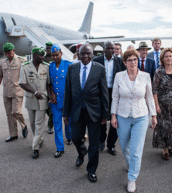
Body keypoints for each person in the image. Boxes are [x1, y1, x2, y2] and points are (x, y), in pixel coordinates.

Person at [111, 49, 157, 193]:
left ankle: (132, 178)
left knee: (137, 150)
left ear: (138, 61)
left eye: (135, 59)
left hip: (141, 116)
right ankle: (131, 164)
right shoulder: (119, 76)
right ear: (124, 62)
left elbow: (149, 97)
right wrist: (113, 115)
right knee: (124, 146)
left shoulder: (145, 76)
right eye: (129, 60)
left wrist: (154, 115)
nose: (133, 62)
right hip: (123, 115)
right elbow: (115, 97)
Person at [63, 43, 109, 182]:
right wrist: (66, 113)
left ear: (93, 55)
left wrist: (105, 115)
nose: (86, 56)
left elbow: (104, 93)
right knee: (76, 138)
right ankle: (82, 152)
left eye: (88, 53)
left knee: (94, 144)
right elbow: (68, 92)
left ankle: (91, 170)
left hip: (94, 112)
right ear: (78, 54)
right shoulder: (72, 68)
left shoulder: (99, 69)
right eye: (83, 53)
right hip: (76, 111)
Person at [93, 41, 125, 155]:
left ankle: (111, 145)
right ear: (103, 49)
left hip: (114, 92)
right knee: (101, 119)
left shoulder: (119, 61)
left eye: (112, 48)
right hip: (101, 93)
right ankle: (101, 140)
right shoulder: (96, 60)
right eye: (108, 48)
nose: (110, 51)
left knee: (115, 118)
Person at [19, 47, 51, 159]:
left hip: (42, 99)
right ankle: (40, 139)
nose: (43, 57)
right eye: (40, 55)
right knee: (32, 123)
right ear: (34, 55)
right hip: (30, 99)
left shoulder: (46, 67)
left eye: (43, 55)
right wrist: (34, 92)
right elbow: (22, 83)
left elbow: (48, 83)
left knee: (39, 124)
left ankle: (35, 148)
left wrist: (50, 95)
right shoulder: (25, 67)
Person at [152, 48, 172, 160]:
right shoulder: (159, 72)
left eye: (170, 56)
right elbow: (154, 90)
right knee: (164, 127)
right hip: (163, 104)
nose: (169, 58)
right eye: (166, 56)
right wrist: (156, 106)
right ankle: (165, 149)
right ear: (162, 59)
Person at [0, 42, 27, 142]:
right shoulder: (2, 62)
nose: (8, 55)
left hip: (17, 90)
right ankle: (13, 134)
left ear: (13, 50)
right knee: (9, 114)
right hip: (6, 91)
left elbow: (27, 75)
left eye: (10, 53)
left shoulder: (21, 60)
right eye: (6, 53)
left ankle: (24, 125)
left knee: (16, 111)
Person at [49, 44, 72, 158]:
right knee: (57, 124)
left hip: (67, 100)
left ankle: (69, 137)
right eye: (53, 55)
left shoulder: (68, 65)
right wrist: (51, 94)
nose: (54, 57)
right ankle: (60, 148)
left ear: (61, 54)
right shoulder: (50, 66)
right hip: (55, 101)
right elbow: (49, 83)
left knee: (68, 121)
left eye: (57, 55)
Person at [44, 42, 54, 135]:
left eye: (50, 48)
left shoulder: (55, 58)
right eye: (47, 48)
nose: (48, 50)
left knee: (51, 110)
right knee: (45, 108)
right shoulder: (42, 59)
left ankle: (50, 126)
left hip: (52, 86)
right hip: (43, 86)